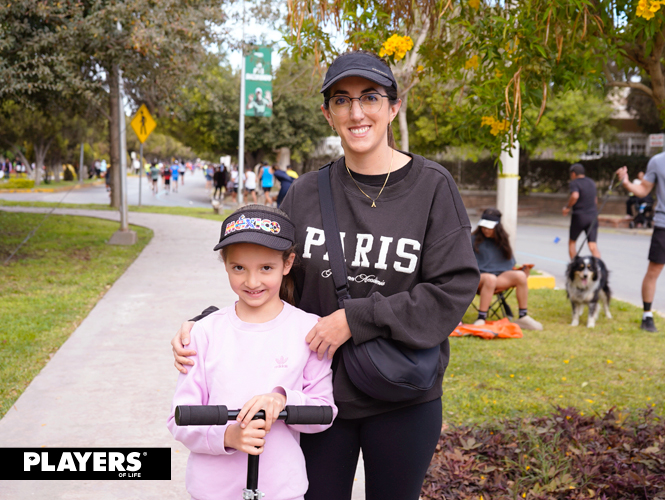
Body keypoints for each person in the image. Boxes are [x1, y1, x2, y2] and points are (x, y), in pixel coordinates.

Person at [171, 50, 480, 500]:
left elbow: (452, 291)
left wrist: (356, 319)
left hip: (403, 396)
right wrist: (206, 324)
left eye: (370, 97)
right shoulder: (305, 193)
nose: (357, 112)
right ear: (327, 113)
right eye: (342, 100)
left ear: (393, 107)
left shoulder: (432, 187)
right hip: (313, 400)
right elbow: (267, 271)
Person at [167, 205, 336, 500]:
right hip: (213, 490)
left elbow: (324, 412)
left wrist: (282, 399)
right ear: (225, 264)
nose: (252, 281)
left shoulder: (310, 330)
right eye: (239, 268)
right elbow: (179, 419)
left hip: (281, 487)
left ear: (288, 263)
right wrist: (228, 436)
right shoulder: (204, 332)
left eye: (266, 268)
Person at [472, 208, 543, 330]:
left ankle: (523, 317)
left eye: (489, 227)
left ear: (497, 227)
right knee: (490, 278)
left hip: (498, 278)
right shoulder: (472, 239)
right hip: (478, 279)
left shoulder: (502, 240)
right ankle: (481, 318)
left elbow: (508, 265)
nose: (486, 230)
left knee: (519, 276)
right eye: (484, 226)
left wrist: (522, 271)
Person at [617, 156, 665, 332]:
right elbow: (644, 189)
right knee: (653, 271)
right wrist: (626, 183)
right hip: (663, 224)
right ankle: (647, 316)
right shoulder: (658, 161)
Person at [563, 163, 600, 260]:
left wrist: (567, 207)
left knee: (572, 242)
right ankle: (599, 268)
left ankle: (574, 267)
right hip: (593, 216)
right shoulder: (591, 182)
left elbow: (575, 196)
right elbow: (595, 199)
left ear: (573, 174)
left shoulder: (575, 183)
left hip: (579, 216)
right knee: (592, 245)